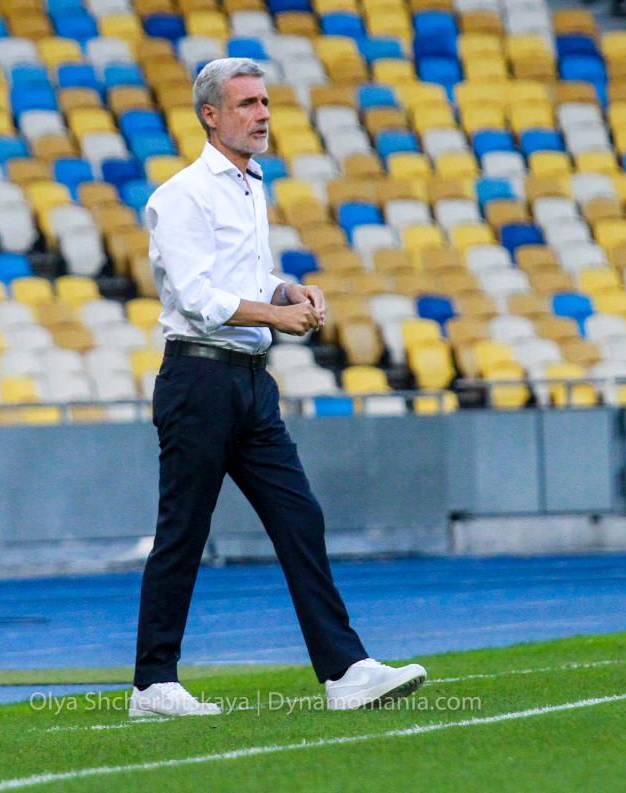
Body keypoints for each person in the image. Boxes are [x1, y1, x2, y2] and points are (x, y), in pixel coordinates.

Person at [128, 58, 426, 718]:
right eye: (247, 104)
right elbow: (197, 296)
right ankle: (153, 682)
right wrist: (274, 315)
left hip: (248, 381)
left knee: (300, 516)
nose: (262, 114)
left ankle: (345, 670)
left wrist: (287, 291)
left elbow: (247, 278)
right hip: (199, 378)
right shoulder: (182, 196)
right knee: (184, 530)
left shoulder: (248, 185)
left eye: (264, 102)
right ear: (210, 115)